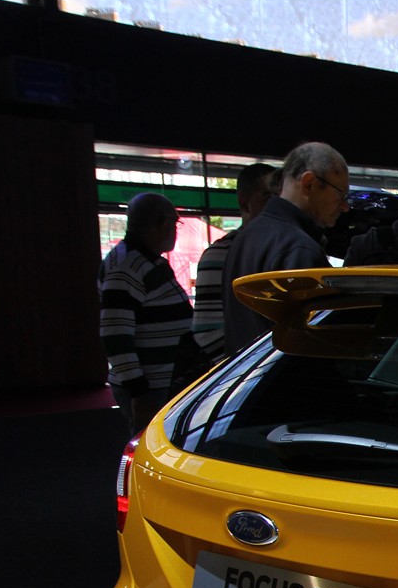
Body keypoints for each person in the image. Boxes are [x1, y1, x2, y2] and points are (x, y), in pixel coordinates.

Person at [221, 141, 350, 356]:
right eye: (341, 195)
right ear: (308, 184)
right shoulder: (298, 248)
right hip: (281, 383)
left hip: (246, 381)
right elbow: (311, 347)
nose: (345, 206)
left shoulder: (247, 235)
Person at [97, 191, 194, 436]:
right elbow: (115, 336)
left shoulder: (145, 260)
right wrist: (139, 392)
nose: (176, 229)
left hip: (160, 384)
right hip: (151, 388)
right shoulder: (127, 267)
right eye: (176, 223)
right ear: (163, 224)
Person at [188, 162, 275, 374]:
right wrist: (239, 372)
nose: (275, 205)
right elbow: (206, 329)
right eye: (267, 197)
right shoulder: (218, 253)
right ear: (245, 204)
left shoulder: (277, 246)